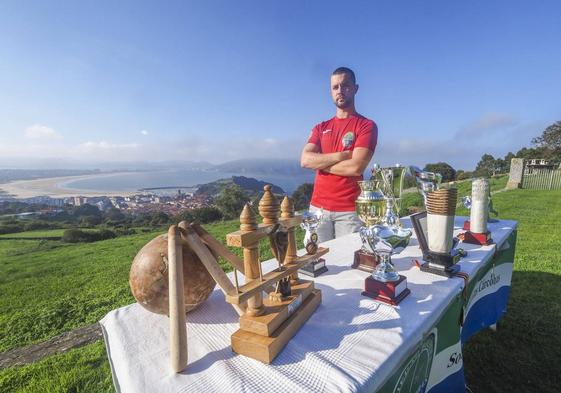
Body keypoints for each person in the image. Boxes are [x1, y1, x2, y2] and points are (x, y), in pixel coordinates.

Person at [300, 67, 378, 242]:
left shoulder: (366, 125)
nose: (340, 91)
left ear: (355, 88)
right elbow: (305, 160)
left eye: (345, 86)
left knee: (350, 261)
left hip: (349, 211)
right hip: (317, 210)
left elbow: (356, 167)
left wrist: (320, 162)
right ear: (330, 91)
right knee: (317, 261)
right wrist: (341, 155)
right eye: (335, 87)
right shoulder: (320, 127)